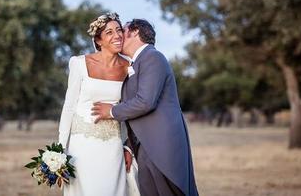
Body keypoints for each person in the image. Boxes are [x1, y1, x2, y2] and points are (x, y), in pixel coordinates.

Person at [92, 19, 199, 196]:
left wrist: (111, 111)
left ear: (134, 32)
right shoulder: (137, 63)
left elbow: (145, 102)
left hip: (162, 145)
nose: (118, 36)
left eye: (122, 31)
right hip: (143, 147)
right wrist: (129, 146)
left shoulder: (153, 57)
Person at [58, 12, 131, 196]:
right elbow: (69, 107)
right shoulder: (79, 63)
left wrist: (128, 146)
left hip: (113, 146)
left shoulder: (130, 67)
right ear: (98, 40)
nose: (117, 35)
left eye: (119, 30)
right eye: (109, 32)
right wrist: (60, 150)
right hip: (80, 148)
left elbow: (133, 108)